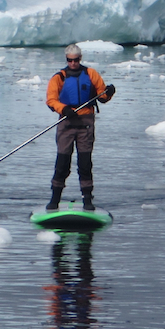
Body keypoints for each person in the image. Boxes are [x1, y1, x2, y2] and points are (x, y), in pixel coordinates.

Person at [45, 44, 115, 211]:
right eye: (70, 60)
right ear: (66, 60)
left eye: (76, 60)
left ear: (80, 59)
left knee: (85, 163)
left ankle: (88, 200)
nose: (73, 63)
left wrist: (109, 92)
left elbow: (102, 96)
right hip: (66, 122)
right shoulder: (59, 78)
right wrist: (64, 109)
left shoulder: (91, 74)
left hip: (86, 123)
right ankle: (55, 199)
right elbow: (51, 100)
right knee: (62, 162)